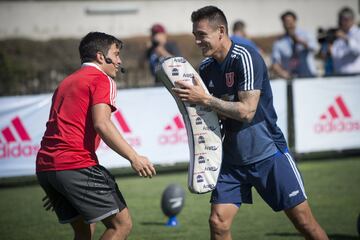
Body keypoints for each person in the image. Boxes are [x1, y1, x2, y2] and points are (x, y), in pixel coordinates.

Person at [173, 6, 328, 240]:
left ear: (221, 31)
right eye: (195, 34)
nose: (197, 41)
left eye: (201, 34)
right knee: (218, 222)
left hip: (268, 155)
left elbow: (247, 111)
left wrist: (205, 99)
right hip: (233, 160)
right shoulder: (205, 68)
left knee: (304, 222)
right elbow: (209, 113)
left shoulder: (245, 57)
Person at [36, 32, 156, 240]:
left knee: (84, 231)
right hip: (73, 165)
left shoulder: (66, 82)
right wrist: (134, 157)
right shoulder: (102, 79)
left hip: (47, 167)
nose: (119, 61)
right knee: (121, 225)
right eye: (116, 54)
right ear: (101, 57)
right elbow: (102, 123)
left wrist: (59, 182)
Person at [271, 11, 318, 80]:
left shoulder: (306, 35)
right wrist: (282, 73)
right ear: (283, 23)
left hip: (308, 76)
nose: (288, 24)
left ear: (295, 21)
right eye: (285, 22)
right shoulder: (279, 42)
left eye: (290, 21)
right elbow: (275, 62)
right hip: (292, 79)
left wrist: (300, 41)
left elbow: (315, 48)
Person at [331, 7, 360, 75]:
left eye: (346, 20)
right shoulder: (339, 34)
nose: (343, 23)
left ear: (352, 20)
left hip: (354, 74)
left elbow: (358, 50)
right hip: (339, 73)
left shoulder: (357, 33)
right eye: (341, 20)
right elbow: (336, 55)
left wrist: (346, 39)